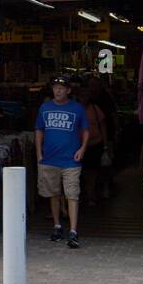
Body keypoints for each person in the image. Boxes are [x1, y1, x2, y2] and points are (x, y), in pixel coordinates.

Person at [35, 75, 89, 248]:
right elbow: (39, 130)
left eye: (61, 88)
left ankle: (73, 230)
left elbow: (86, 130)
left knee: (72, 194)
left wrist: (82, 149)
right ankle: (57, 225)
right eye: (55, 87)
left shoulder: (77, 108)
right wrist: (38, 154)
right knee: (53, 193)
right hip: (49, 158)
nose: (57, 90)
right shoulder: (45, 107)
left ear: (68, 90)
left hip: (71, 160)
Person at [78, 84, 107, 209]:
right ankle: (84, 195)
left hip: (95, 144)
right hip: (77, 146)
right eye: (82, 96)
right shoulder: (75, 109)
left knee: (92, 172)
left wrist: (106, 145)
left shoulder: (95, 109)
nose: (84, 98)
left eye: (86, 96)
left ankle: (91, 196)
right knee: (80, 172)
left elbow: (103, 126)